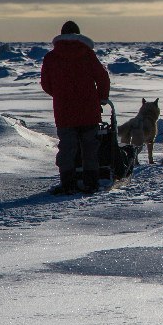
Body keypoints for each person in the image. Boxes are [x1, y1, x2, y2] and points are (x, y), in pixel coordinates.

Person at [40, 20, 111, 194]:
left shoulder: (51, 57)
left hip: (64, 112)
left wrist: (59, 95)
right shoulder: (87, 54)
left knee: (67, 148)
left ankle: (68, 184)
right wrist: (101, 98)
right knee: (89, 148)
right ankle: (91, 183)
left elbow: (45, 83)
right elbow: (102, 78)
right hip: (89, 110)